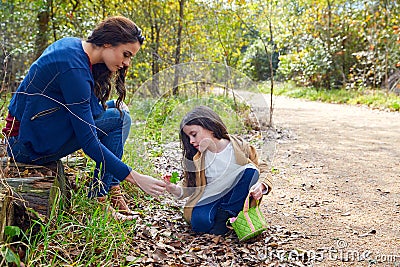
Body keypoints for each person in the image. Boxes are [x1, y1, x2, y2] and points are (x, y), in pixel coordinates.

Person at [2, 16, 166, 220]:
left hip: (34, 132)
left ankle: (110, 186)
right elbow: (89, 143)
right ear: (107, 43)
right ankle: (99, 196)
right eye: (126, 54)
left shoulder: (72, 47)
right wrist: (135, 177)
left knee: (117, 108)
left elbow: (87, 109)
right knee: (120, 119)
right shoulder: (74, 69)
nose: (126, 63)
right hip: (25, 147)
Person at [164, 105, 272, 235]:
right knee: (199, 223)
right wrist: (172, 188)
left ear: (209, 126)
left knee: (251, 171)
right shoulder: (197, 158)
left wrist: (261, 185)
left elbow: (263, 168)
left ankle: (225, 217)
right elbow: (188, 185)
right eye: (188, 138)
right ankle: (226, 219)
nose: (191, 141)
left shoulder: (239, 146)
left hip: (235, 196)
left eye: (194, 135)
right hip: (209, 197)